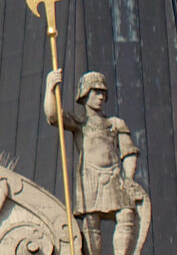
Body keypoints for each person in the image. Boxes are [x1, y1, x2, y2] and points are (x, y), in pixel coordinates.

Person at [45, 69, 149, 255]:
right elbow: (53, 117)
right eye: (96, 92)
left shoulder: (115, 123)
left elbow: (128, 152)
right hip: (90, 178)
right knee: (91, 222)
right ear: (85, 95)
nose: (101, 97)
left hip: (115, 175)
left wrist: (129, 178)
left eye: (103, 93)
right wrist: (50, 87)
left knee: (126, 214)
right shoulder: (79, 122)